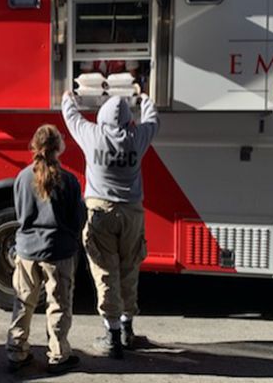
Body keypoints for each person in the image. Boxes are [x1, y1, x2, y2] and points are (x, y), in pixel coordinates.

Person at [61, 91, 159, 359]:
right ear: (129, 123)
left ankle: (112, 334)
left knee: (105, 271)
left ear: (102, 119)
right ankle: (127, 328)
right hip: (132, 214)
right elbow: (153, 120)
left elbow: (70, 117)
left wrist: (68, 97)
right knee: (129, 268)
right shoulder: (137, 138)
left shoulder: (92, 136)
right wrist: (145, 99)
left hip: (100, 213)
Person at [6, 124, 84, 375]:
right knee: (59, 304)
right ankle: (58, 355)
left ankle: (16, 352)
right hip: (58, 252)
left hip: (27, 250)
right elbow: (77, 220)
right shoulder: (69, 180)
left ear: (34, 146)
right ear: (59, 147)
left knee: (23, 302)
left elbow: (19, 213)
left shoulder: (23, 177)